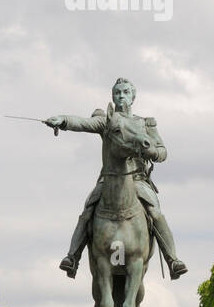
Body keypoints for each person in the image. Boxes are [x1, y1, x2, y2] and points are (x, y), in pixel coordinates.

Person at [46, 78, 187, 280]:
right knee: (88, 210)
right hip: (109, 180)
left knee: (155, 212)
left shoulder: (145, 123)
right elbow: (84, 123)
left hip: (137, 179)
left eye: (125, 93)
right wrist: (64, 120)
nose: (121, 96)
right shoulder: (107, 121)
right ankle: (72, 257)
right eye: (117, 93)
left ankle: (172, 259)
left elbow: (163, 151)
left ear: (133, 97)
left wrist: (153, 153)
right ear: (113, 96)